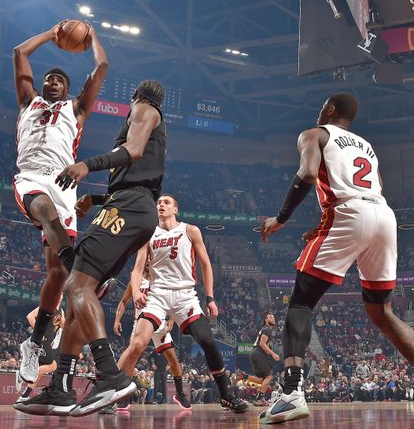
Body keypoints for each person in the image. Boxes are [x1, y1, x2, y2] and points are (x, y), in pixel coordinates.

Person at [258, 93, 414, 423]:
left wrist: (280, 218)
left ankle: (291, 393)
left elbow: (307, 174)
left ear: (331, 109)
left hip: (348, 213)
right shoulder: (366, 146)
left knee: (301, 302)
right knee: (382, 312)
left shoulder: (314, 133)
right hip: (382, 215)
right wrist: (325, 225)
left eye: (323, 104)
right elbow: (373, 187)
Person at [16, 79, 167, 416]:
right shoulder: (152, 118)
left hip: (128, 207)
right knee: (77, 299)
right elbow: (140, 174)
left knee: (77, 285)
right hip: (130, 206)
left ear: (135, 97)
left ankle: (109, 374)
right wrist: (98, 198)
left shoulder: (144, 110)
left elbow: (135, 151)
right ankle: (61, 389)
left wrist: (87, 165)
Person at [12, 21, 109, 387]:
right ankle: (83, 265)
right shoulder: (28, 102)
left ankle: (34, 344)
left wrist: (92, 35)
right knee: (47, 218)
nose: (51, 81)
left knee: (56, 274)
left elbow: (101, 68)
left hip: (64, 181)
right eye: (48, 78)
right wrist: (52, 34)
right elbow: (19, 53)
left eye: (58, 79)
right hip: (32, 177)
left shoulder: (77, 110)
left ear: (67, 89)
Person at [117, 194, 247, 413]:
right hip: (157, 294)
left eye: (166, 202)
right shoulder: (148, 235)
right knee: (138, 344)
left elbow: (206, 264)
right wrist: (137, 290)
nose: (161, 205)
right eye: (159, 202)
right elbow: (137, 269)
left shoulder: (190, 230)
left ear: (176, 209)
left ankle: (225, 395)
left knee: (207, 341)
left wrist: (210, 298)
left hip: (185, 295)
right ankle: (112, 390)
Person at [112, 258, 190, 410]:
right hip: (141, 323)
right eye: (146, 262)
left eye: (150, 262)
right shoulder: (136, 281)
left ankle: (180, 393)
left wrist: (172, 320)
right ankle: (124, 396)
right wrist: (117, 320)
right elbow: (123, 301)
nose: (148, 264)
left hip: (160, 324)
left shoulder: (162, 280)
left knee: (173, 359)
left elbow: (173, 301)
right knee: (131, 358)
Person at [14, 306, 63, 406]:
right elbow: (30, 316)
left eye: (61, 294)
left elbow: (65, 327)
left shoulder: (61, 311)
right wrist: (40, 332)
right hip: (41, 341)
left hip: (48, 342)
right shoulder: (48, 305)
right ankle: (22, 374)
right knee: (53, 366)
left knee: (40, 370)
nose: (60, 295)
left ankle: (24, 396)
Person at [249, 312, 280, 405]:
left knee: (262, 378)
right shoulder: (267, 329)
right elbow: (262, 343)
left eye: (274, 317)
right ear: (266, 320)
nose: (273, 318)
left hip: (254, 353)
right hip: (258, 353)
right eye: (270, 317)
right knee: (269, 376)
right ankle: (260, 398)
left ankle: (257, 398)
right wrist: (273, 354)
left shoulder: (264, 329)